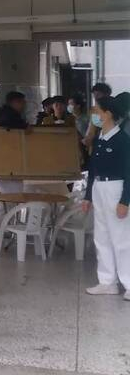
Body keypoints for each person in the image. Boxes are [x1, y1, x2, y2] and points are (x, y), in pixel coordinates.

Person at [82, 95, 130, 298]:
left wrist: (125, 201)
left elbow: (129, 172)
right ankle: (107, 281)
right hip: (99, 188)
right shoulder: (99, 139)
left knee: (121, 238)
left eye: (97, 111)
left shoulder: (122, 140)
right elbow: (92, 170)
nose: (94, 115)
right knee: (101, 237)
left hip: (115, 188)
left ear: (108, 114)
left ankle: (129, 283)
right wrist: (87, 196)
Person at [84, 81, 112, 153]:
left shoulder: (112, 109)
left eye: (98, 94)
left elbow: (92, 131)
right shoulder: (95, 110)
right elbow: (92, 129)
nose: (96, 97)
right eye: (94, 95)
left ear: (107, 94)